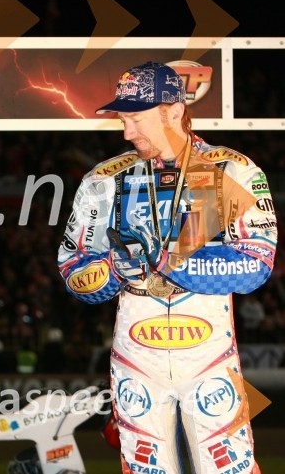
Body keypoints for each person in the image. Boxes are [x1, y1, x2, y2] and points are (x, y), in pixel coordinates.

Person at [57, 61, 276, 473]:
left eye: (136, 119)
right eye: (123, 120)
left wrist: (170, 261)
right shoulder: (104, 181)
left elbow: (256, 262)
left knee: (230, 468)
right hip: (136, 353)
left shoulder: (231, 170)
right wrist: (113, 271)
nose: (127, 133)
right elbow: (72, 270)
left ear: (174, 111)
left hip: (208, 349)